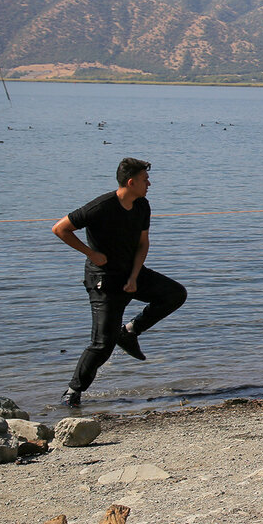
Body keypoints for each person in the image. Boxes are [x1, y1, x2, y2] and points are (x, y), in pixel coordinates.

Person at [52, 158, 187, 407]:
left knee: (175, 293)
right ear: (130, 182)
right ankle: (72, 393)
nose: (149, 183)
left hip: (131, 273)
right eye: (145, 179)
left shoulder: (142, 205)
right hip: (103, 280)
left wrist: (135, 276)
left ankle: (130, 331)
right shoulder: (101, 206)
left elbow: (143, 243)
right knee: (102, 344)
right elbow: (60, 229)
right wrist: (90, 253)